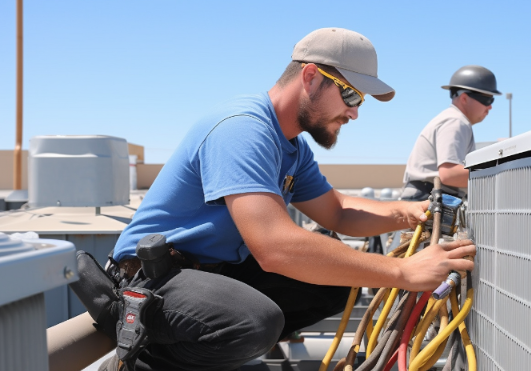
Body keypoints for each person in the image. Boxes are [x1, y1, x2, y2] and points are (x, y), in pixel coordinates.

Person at [97, 28, 477, 371]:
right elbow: (275, 247)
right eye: (349, 94)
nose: (355, 112)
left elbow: (338, 211)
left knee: (336, 283)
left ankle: (216, 351)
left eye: (359, 99)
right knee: (252, 320)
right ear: (310, 76)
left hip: (208, 273)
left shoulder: (291, 148)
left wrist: (409, 214)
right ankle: (138, 363)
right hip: (148, 283)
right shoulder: (243, 129)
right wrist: (403, 272)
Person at [401, 65, 501, 201]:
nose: (490, 106)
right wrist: (499, 172)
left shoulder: (452, 119)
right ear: (464, 98)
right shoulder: (455, 122)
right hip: (427, 201)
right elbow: (450, 174)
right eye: (487, 99)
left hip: (427, 197)